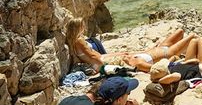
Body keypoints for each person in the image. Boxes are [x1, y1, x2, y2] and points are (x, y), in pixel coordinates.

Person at [66, 18, 194, 72]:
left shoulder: (75, 43)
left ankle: (186, 51)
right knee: (190, 38)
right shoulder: (79, 41)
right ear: (77, 28)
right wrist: (121, 55)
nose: (84, 27)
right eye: (81, 25)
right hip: (114, 61)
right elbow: (97, 58)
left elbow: (97, 56)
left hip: (116, 59)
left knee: (179, 33)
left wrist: (121, 54)